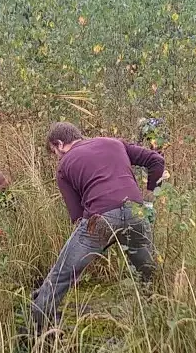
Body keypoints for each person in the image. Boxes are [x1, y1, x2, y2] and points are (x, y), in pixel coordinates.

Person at [31, 122, 165, 333]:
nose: (57, 156)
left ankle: (39, 325)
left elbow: (77, 216)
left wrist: (93, 244)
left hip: (100, 219)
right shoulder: (114, 143)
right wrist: (148, 201)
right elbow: (156, 161)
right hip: (137, 213)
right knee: (147, 272)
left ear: (59, 144)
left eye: (55, 152)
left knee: (62, 274)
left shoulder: (64, 166)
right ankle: (157, 317)